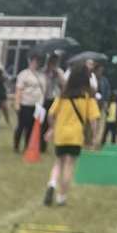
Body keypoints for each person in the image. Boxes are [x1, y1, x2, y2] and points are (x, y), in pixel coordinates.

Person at [43, 62, 100, 206]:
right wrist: (94, 136)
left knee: (58, 163)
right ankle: (62, 197)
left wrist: (51, 129)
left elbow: (51, 114)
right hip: (75, 136)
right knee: (69, 165)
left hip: (61, 134)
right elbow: (93, 118)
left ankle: (52, 183)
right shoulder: (88, 96)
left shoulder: (63, 95)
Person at [12, 52, 46, 153]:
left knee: (31, 127)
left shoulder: (42, 74)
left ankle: (28, 146)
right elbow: (19, 90)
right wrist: (17, 104)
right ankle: (16, 146)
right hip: (26, 103)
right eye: (35, 60)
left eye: (39, 60)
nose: (37, 62)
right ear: (30, 61)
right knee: (21, 126)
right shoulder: (24, 74)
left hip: (37, 105)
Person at [40, 52, 66, 153]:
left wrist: (57, 74)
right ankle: (41, 144)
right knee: (42, 123)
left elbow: (64, 85)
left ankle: (48, 143)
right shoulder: (43, 71)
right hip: (44, 98)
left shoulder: (59, 72)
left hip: (54, 99)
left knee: (52, 121)